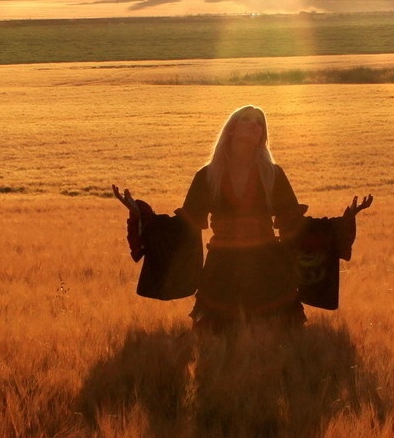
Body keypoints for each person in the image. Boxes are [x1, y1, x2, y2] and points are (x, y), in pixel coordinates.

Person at [115, 105, 373, 332]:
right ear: (231, 129)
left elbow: (293, 223)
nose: (255, 125)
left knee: (277, 336)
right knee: (216, 338)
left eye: (260, 123)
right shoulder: (207, 176)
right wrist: (141, 215)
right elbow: (186, 224)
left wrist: (342, 222)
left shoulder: (273, 174)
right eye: (247, 119)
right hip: (222, 267)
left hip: (268, 264)